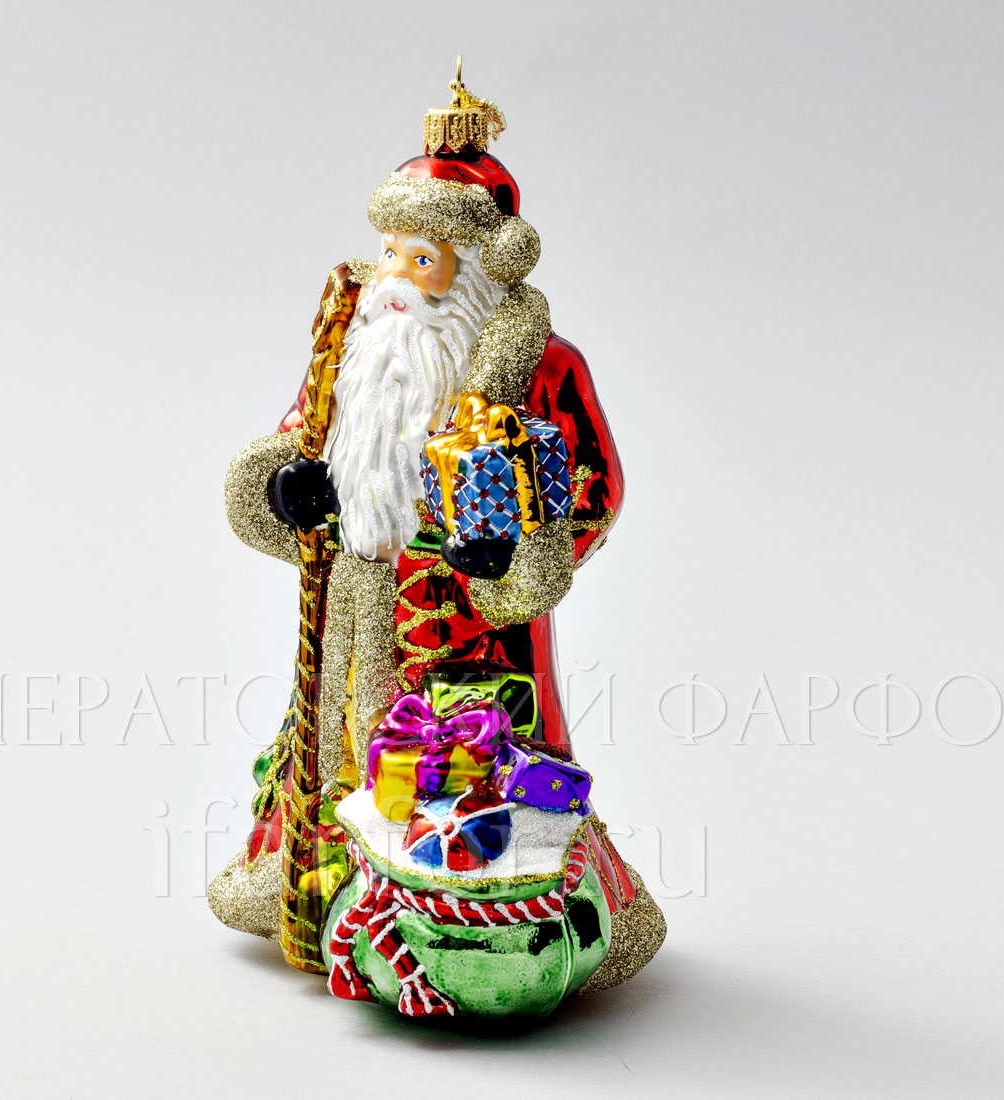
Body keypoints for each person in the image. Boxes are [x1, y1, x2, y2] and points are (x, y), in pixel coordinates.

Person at [208, 69, 664, 995]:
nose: (396, 279)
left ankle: (462, 910)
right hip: (355, 596)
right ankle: (321, 877)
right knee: (337, 739)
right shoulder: (357, 343)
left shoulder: (540, 365)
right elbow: (307, 431)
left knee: (460, 761)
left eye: (423, 260)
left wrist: (515, 553)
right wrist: (290, 484)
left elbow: (594, 490)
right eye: (391, 253)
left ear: (479, 267)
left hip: (461, 617)